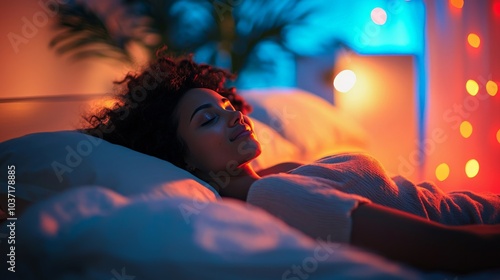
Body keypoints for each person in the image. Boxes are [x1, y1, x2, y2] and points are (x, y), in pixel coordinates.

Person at [81, 49, 500, 275]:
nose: (233, 114)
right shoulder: (274, 195)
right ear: (182, 159)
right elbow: (455, 248)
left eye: (227, 105)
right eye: (207, 118)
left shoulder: (273, 178)